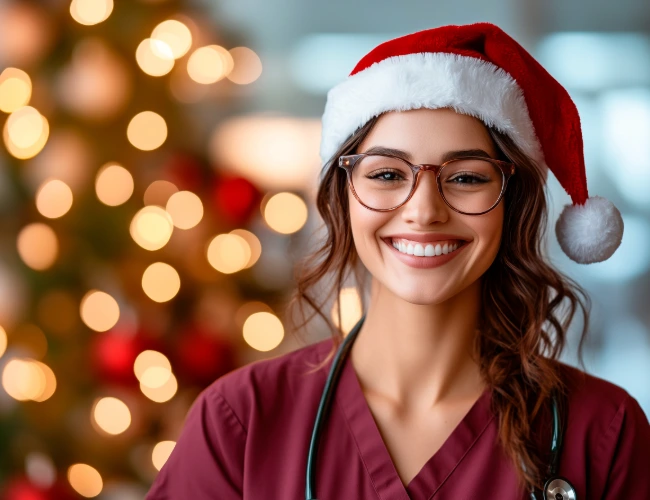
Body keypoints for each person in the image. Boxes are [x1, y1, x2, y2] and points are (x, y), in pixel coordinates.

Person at [146, 22, 650, 499]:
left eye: (467, 177)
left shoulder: (603, 430)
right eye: (387, 174)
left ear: (511, 204)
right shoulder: (239, 420)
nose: (424, 211)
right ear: (343, 197)